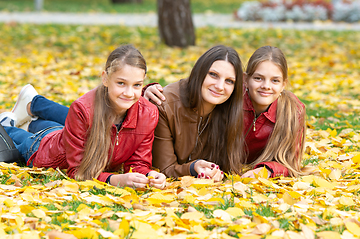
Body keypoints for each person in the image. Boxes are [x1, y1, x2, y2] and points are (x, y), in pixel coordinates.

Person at [0, 45, 166, 189]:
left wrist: (151, 175)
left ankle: (27, 117)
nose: (129, 93)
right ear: (105, 78)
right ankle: (8, 123)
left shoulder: (148, 113)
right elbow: (77, 171)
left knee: (47, 131)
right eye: (121, 83)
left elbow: (138, 163)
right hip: (40, 149)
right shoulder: (83, 109)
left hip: (65, 137)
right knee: (9, 134)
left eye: (137, 85)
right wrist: (114, 179)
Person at [144, 46, 306, 178]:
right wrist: (147, 91)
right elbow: (185, 90)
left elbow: (291, 162)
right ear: (246, 80)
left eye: (275, 80)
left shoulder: (291, 111)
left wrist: (267, 170)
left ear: (284, 84)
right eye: (258, 78)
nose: (266, 86)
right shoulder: (232, 99)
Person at [144, 45, 246, 182]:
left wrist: (215, 173)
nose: (220, 86)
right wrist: (192, 168)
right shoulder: (165, 105)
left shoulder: (232, 108)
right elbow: (164, 168)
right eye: (213, 75)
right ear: (200, 72)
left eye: (229, 81)